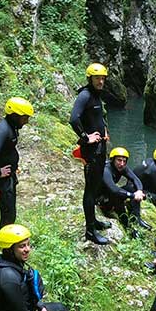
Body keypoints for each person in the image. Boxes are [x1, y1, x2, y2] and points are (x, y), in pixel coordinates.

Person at [70, 62, 112, 244]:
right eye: (97, 78)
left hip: (100, 149)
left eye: (103, 78)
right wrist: (86, 137)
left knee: (95, 187)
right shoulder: (85, 95)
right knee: (90, 189)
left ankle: (94, 221)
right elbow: (73, 119)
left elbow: (96, 118)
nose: (101, 81)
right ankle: (90, 231)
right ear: (90, 79)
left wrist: (104, 132)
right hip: (91, 151)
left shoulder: (96, 96)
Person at [0, 97, 33, 227]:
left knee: (10, 213)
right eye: (24, 118)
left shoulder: (12, 126)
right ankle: (6, 245)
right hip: (1, 179)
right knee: (8, 214)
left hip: (8, 176)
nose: (26, 121)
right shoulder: (4, 129)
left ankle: (9, 244)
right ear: (14, 115)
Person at [98, 147, 145, 237]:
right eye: (119, 160)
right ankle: (127, 226)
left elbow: (135, 179)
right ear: (112, 160)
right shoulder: (106, 170)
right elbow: (114, 189)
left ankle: (136, 218)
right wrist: (132, 195)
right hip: (102, 199)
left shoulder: (122, 167)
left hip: (111, 194)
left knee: (132, 187)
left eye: (124, 161)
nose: (122, 164)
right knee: (118, 196)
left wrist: (139, 191)